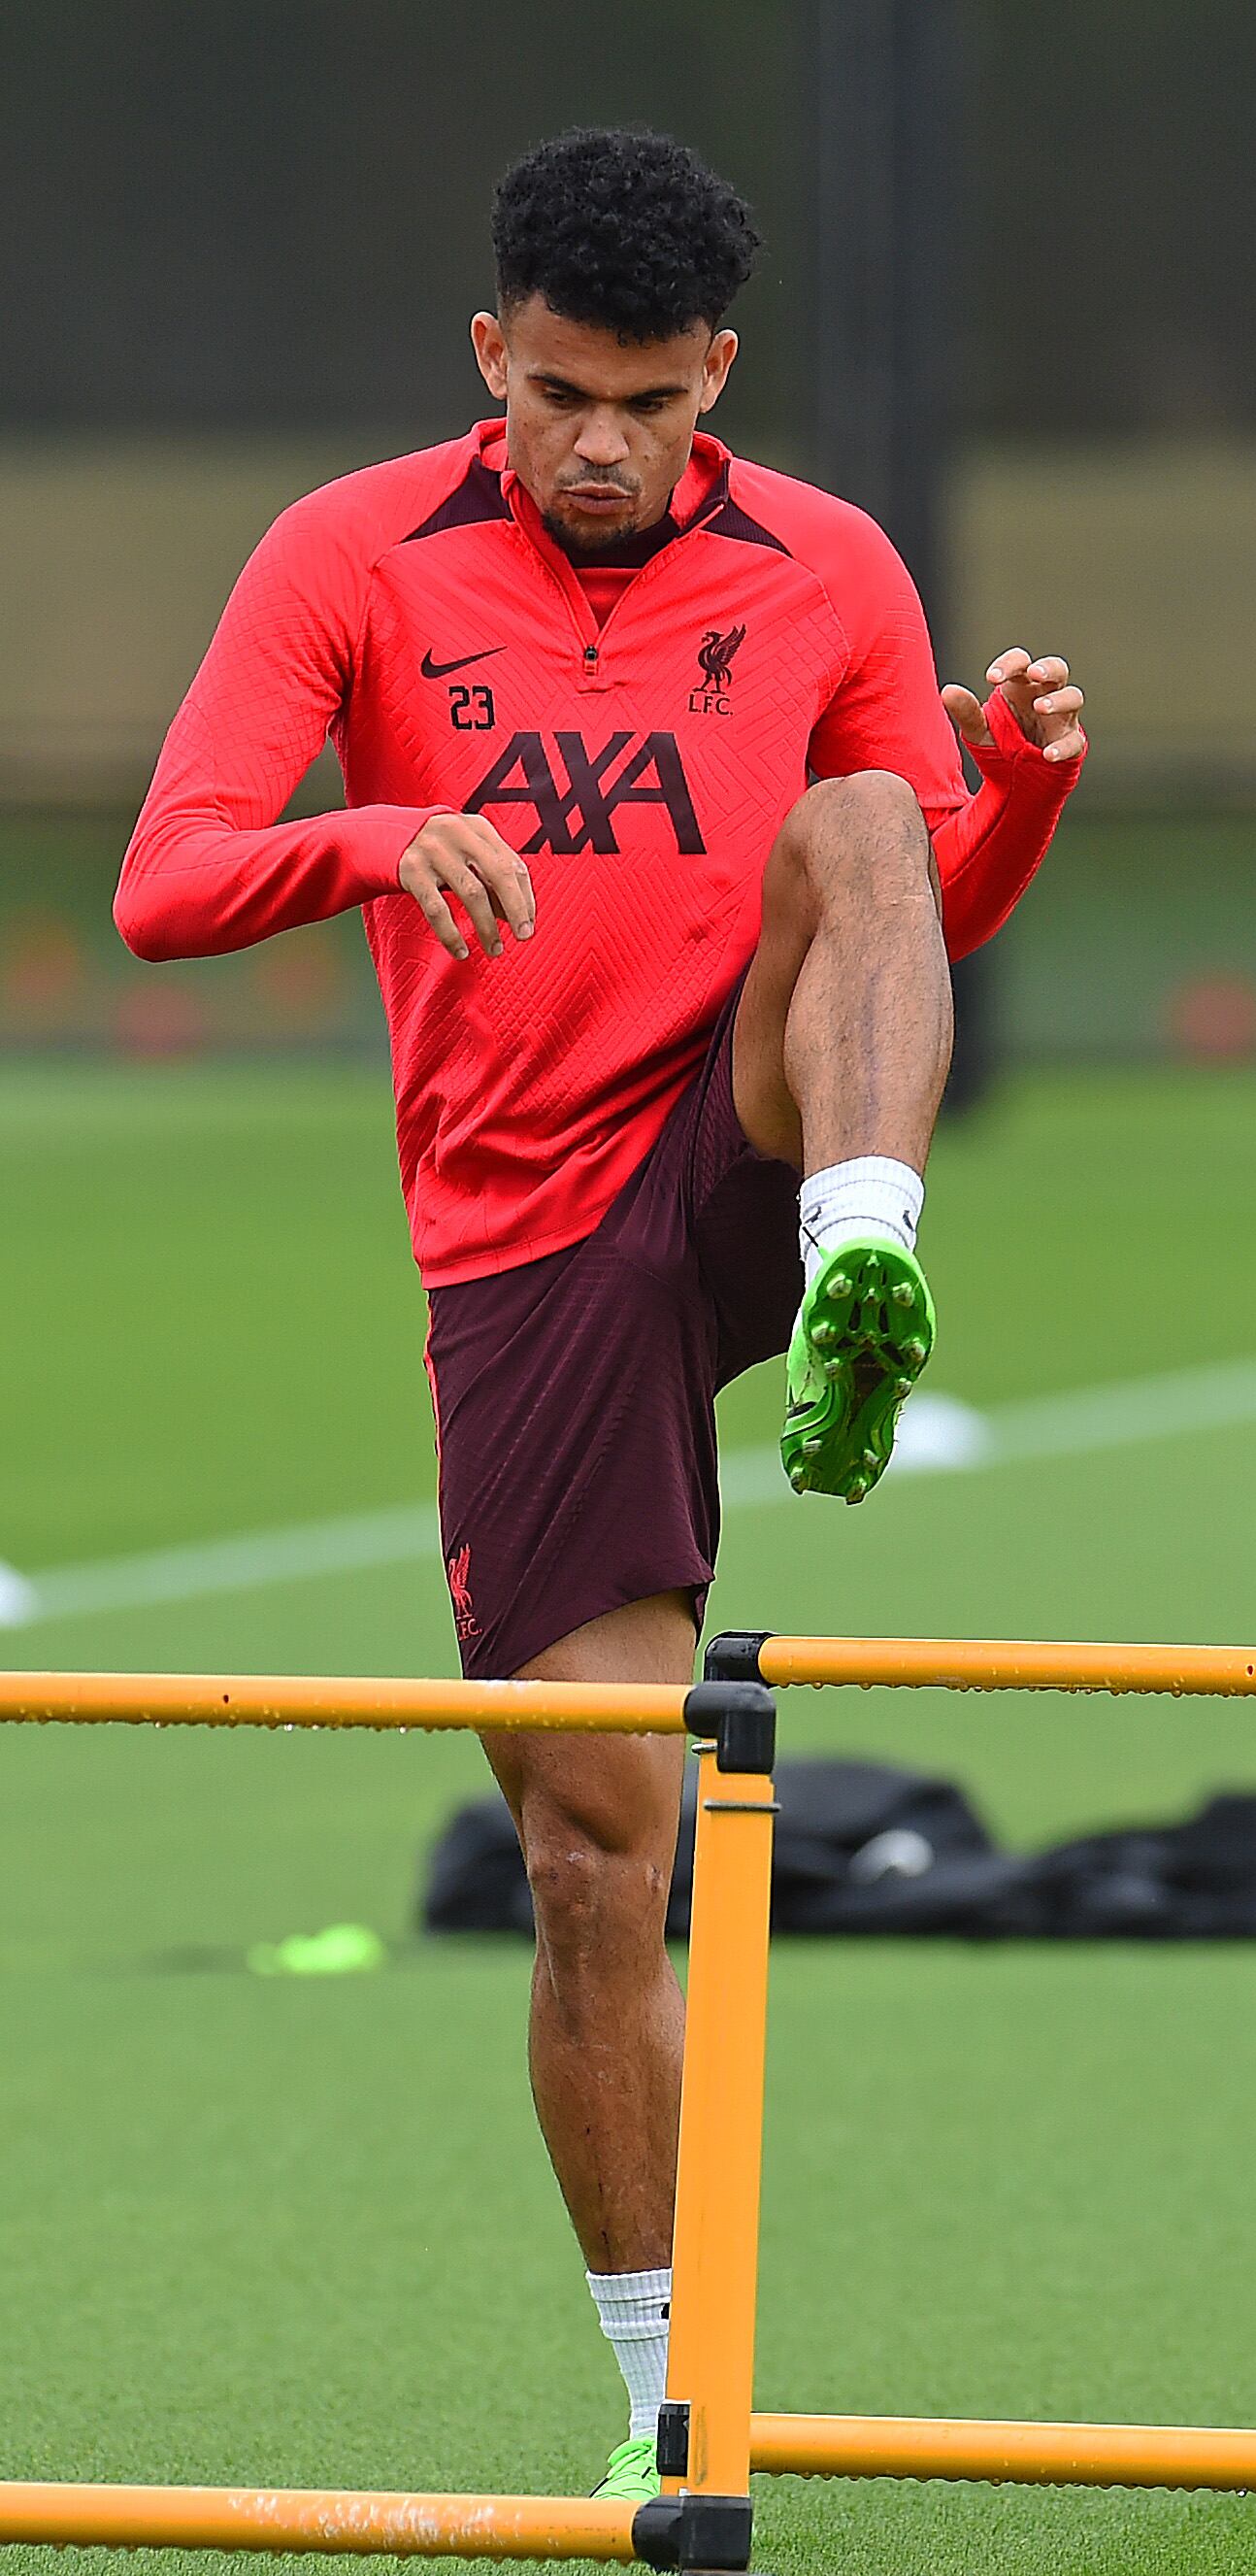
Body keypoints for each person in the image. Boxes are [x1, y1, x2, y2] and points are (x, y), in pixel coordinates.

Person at [114, 128, 1087, 2496]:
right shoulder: (345, 555)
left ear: (714, 377)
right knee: (589, 1848)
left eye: (649, 402)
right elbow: (161, 887)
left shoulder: (828, 563)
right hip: (529, 1240)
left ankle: (869, 1244)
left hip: (749, 1135)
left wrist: (1017, 800)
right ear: (490, 356)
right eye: (561, 393)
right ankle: (667, 2391)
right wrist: (363, 835)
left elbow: (906, 914)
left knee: (864, 821)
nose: (604, 444)